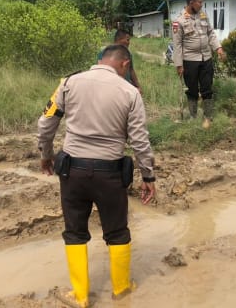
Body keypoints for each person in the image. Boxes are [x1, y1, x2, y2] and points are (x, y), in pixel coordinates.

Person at [38, 44, 156, 307]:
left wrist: (46, 154)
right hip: (110, 174)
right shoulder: (130, 93)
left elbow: (46, 123)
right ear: (124, 64)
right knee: (117, 230)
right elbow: (140, 140)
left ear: (101, 60)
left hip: (72, 172)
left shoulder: (68, 83)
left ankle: (79, 296)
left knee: (75, 231)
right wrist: (148, 176)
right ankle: (122, 288)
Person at [172, 0, 225, 128]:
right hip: (190, 61)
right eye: (200, 2)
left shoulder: (203, 16)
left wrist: (218, 48)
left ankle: (208, 117)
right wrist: (179, 65)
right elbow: (177, 45)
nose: (202, 4)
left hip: (206, 58)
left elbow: (211, 33)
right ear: (191, 2)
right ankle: (193, 116)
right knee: (192, 90)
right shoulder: (179, 21)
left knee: (207, 88)